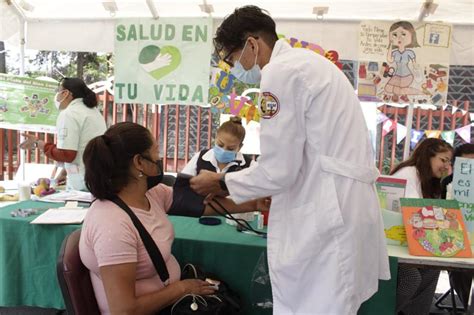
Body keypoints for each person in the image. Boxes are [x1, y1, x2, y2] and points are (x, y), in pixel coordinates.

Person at [189, 5, 390, 314]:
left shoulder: (280, 73)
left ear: (252, 45)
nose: (233, 69)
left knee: (313, 305)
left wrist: (222, 180)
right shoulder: (310, 65)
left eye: (232, 59)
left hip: (328, 213)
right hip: (341, 205)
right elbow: (292, 154)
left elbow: (279, 170)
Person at [79, 122, 266, 314]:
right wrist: (182, 288)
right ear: (139, 163)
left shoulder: (150, 193)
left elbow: (200, 205)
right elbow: (124, 310)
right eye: (156, 151)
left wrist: (253, 204)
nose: (159, 157)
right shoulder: (113, 225)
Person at [390, 138, 453, 315]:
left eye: (449, 162)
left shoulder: (429, 182)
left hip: (409, 246)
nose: (447, 166)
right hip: (393, 246)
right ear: (428, 155)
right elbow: (414, 216)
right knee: (411, 277)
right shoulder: (407, 174)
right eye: (443, 159)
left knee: (432, 270)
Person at [20, 77, 107, 190]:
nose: (56, 95)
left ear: (66, 93)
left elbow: (67, 154)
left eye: (58, 91)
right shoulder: (93, 112)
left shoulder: (69, 114)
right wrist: (65, 172)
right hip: (97, 177)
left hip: (82, 182)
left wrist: (38, 143)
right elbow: (82, 147)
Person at [441, 143, 474, 310]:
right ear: (455, 166)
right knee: (462, 271)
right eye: (465, 164)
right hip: (455, 244)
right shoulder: (446, 184)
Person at [181, 116, 252, 176]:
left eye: (230, 148)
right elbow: (181, 185)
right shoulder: (200, 158)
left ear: (240, 147)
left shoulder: (250, 166)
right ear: (215, 138)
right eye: (220, 145)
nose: (224, 150)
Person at [384, 21, 422, 103]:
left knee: (397, 90)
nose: (399, 38)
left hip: (407, 76)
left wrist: (418, 72)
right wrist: (390, 45)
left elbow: (415, 65)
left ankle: (418, 92)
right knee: (387, 88)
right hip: (397, 75)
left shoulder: (410, 52)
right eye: (395, 35)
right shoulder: (395, 52)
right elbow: (389, 59)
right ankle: (412, 91)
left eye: (403, 34)